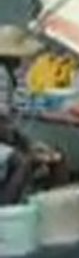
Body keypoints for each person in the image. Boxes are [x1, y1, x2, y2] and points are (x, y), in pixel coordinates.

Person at [0, 26, 63, 204]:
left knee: (48, 156)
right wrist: (25, 147)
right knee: (22, 162)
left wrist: (28, 143)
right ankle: (5, 209)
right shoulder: (1, 74)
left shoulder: (8, 75)